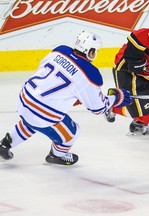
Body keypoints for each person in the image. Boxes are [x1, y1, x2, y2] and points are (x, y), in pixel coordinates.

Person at [0, 31, 132, 165]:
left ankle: (5, 144)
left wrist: (70, 96)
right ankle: (56, 156)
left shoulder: (60, 50)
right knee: (72, 133)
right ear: (91, 51)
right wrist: (117, 97)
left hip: (24, 98)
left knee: (32, 118)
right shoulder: (90, 73)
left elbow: (43, 71)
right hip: (42, 113)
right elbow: (98, 108)